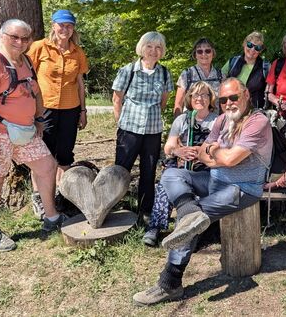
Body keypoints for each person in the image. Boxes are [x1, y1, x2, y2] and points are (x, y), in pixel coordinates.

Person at [132, 78, 272, 306]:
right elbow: (201, 153)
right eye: (224, 100)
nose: (228, 103)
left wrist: (214, 153)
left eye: (234, 97)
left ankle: (170, 283)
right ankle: (188, 209)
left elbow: (228, 158)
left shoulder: (257, 122)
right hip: (214, 179)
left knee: (189, 224)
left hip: (242, 188)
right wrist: (215, 155)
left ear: (246, 95)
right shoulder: (222, 120)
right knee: (171, 175)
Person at [0, 19, 66, 251]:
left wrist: (39, 118)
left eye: (25, 38)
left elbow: (36, 92)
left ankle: (52, 217)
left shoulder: (26, 61)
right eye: (14, 37)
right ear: (2, 36)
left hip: (24, 131)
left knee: (47, 167)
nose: (20, 42)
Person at [27, 9, 89, 219]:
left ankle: (61, 197)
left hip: (71, 109)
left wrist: (83, 111)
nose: (65, 29)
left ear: (73, 29)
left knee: (64, 154)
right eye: (61, 25)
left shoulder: (78, 52)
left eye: (69, 25)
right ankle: (39, 199)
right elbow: (28, 78)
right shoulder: (39, 47)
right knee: (42, 155)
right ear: (53, 25)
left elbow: (80, 84)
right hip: (44, 109)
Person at [143, 81, 219, 246]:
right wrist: (178, 151)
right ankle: (156, 226)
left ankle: (193, 229)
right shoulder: (182, 120)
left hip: (206, 169)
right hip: (182, 167)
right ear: (189, 98)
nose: (199, 98)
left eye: (204, 95)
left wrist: (202, 152)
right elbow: (169, 146)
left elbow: (222, 148)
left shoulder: (217, 121)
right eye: (195, 95)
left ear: (210, 98)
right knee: (166, 180)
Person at [112, 31, 174, 218]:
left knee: (149, 171)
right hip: (129, 129)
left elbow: (163, 101)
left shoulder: (164, 73)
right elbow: (117, 99)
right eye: (149, 46)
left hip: (153, 131)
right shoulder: (128, 70)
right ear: (142, 47)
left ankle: (145, 211)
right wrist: (121, 123)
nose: (153, 51)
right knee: (121, 170)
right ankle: (114, 207)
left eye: (158, 47)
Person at [172, 38, 223, 118]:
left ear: (213, 53)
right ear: (195, 54)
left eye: (207, 51)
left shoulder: (220, 75)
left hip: (215, 122)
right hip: (191, 122)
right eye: (199, 51)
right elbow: (178, 105)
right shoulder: (187, 74)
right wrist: (178, 123)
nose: (204, 54)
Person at [222, 31, 270, 109]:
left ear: (260, 51)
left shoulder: (265, 67)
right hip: (231, 107)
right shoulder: (233, 62)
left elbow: (269, 92)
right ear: (244, 44)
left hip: (254, 110)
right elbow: (221, 83)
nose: (252, 49)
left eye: (257, 48)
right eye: (250, 45)